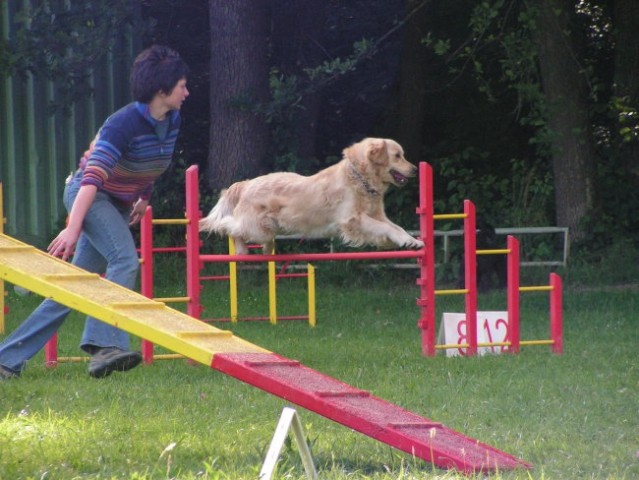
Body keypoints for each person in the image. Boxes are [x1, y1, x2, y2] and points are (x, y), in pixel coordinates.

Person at [0, 45, 189, 380]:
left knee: (74, 289)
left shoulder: (171, 120)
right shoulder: (122, 124)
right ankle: (103, 344)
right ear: (161, 90)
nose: (186, 92)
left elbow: (153, 163)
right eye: (182, 86)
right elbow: (90, 180)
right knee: (125, 259)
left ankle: (6, 359)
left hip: (116, 201)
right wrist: (73, 228)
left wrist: (143, 197)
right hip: (88, 195)